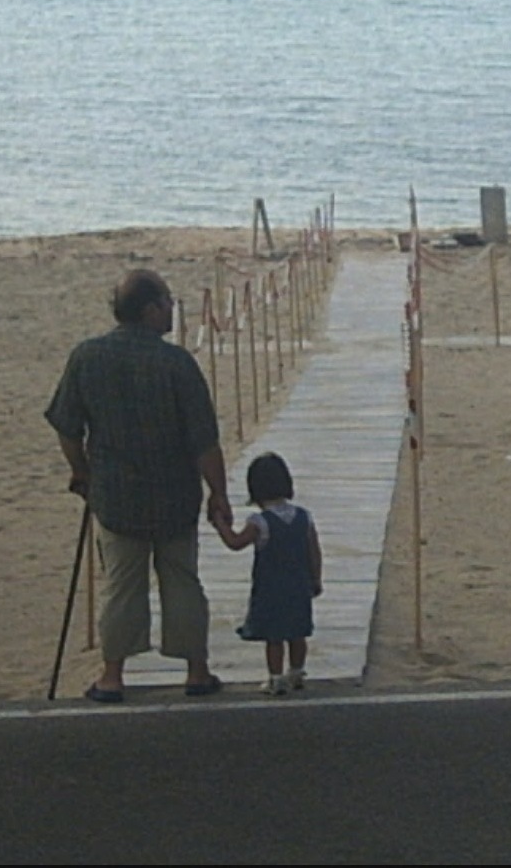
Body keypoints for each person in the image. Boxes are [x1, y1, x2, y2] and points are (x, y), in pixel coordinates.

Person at [45, 268, 233, 702]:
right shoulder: (177, 363)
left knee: (121, 586)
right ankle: (197, 671)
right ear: (150, 310)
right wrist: (218, 492)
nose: (172, 308)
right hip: (174, 495)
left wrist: (81, 471)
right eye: (167, 301)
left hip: (116, 495)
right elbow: (204, 440)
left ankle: (112, 675)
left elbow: (67, 426)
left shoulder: (87, 357)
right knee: (182, 581)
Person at [214, 451, 323, 696]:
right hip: (298, 585)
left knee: (274, 637)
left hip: (271, 588)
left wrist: (220, 524)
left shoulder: (259, 522)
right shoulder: (304, 517)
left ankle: (275, 678)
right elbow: (314, 551)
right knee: (297, 633)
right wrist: (316, 578)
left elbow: (235, 542)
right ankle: (297, 672)